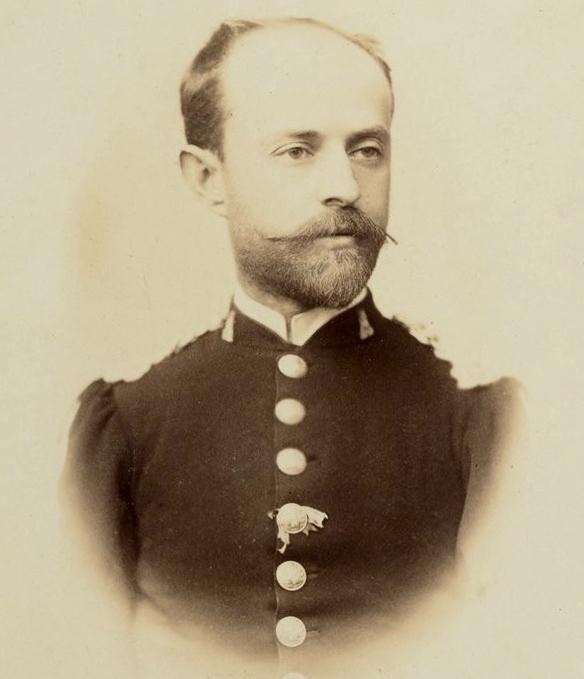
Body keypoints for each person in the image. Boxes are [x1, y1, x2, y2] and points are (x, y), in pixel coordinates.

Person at [62, 16, 521, 679]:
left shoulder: (481, 420)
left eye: (367, 149)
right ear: (206, 178)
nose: (344, 185)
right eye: (297, 150)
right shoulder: (127, 425)